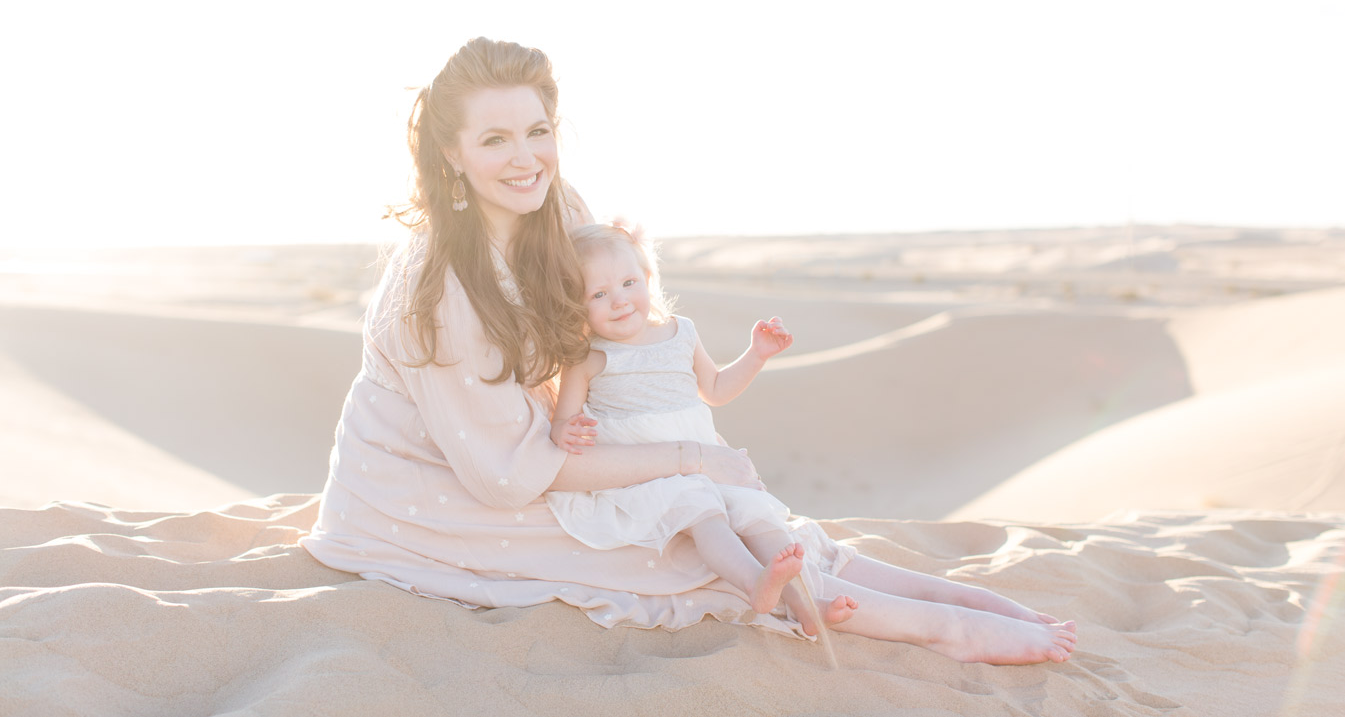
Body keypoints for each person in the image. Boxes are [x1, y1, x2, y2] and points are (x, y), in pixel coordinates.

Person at [300, 36, 1077, 663]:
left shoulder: (558, 207)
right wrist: (689, 458)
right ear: (450, 156)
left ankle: (960, 600)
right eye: (495, 138)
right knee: (680, 539)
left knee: (731, 512)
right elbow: (505, 476)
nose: (525, 156)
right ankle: (939, 628)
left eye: (538, 130)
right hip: (437, 493)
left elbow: (621, 333)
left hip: (546, 446)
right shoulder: (436, 297)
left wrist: (688, 433)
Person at [546, 222, 856, 632]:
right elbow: (562, 422)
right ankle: (754, 583)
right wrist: (565, 431)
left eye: (628, 282)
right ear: (577, 306)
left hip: (706, 461)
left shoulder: (681, 332)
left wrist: (756, 355)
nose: (619, 301)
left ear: (648, 280)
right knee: (701, 509)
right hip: (649, 476)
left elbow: (715, 389)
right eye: (599, 294)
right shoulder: (588, 358)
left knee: (755, 514)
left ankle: (805, 603)